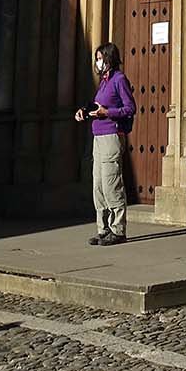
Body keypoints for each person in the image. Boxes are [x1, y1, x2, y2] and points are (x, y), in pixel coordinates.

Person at [75, 41, 136, 246]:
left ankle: (118, 230)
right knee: (98, 185)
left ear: (110, 58)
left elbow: (130, 108)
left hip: (112, 135)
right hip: (98, 137)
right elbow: (97, 105)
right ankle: (103, 229)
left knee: (111, 184)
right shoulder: (103, 82)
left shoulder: (119, 79)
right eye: (97, 59)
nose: (98, 62)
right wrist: (85, 111)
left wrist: (107, 113)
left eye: (101, 58)